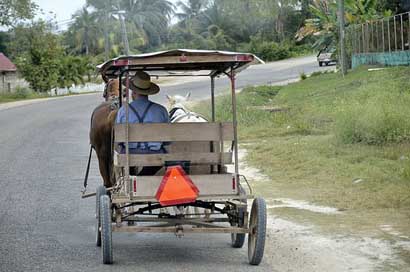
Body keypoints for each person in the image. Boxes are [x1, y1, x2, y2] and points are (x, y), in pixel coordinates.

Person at [116, 71, 169, 175]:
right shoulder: (161, 110)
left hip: (130, 154)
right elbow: (168, 140)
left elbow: (119, 140)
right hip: (156, 156)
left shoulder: (123, 110)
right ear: (148, 92)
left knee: (125, 157)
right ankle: (143, 177)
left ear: (133, 92)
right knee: (161, 156)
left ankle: (134, 179)